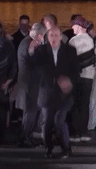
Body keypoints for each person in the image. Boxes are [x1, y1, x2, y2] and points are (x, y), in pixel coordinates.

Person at [29, 26, 79, 159]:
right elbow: (32, 65)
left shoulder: (70, 51)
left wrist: (69, 82)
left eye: (56, 36)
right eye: (51, 36)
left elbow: (76, 71)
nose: (53, 39)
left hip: (64, 94)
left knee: (60, 120)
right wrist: (31, 50)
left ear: (61, 36)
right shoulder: (42, 50)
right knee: (47, 122)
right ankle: (48, 148)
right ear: (47, 37)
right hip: (47, 93)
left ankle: (66, 148)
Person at [68, 16, 96, 142]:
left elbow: (69, 60)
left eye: (73, 25)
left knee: (75, 105)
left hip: (76, 76)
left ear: (79, 27)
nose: (72, 28)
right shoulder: (92, 41)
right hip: (89, 76)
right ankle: (83, 133)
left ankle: (74, 134)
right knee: (85, 104)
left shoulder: (73, 41)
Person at [16, 22, 46, 148]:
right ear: (39, 35)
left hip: (28, 83)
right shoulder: (31, 44)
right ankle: (25, 138)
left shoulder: (26, 42)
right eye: (43, 35)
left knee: (31, 111)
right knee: (31, 111)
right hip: (31, 84)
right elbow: (34, 62)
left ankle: (28, 137)